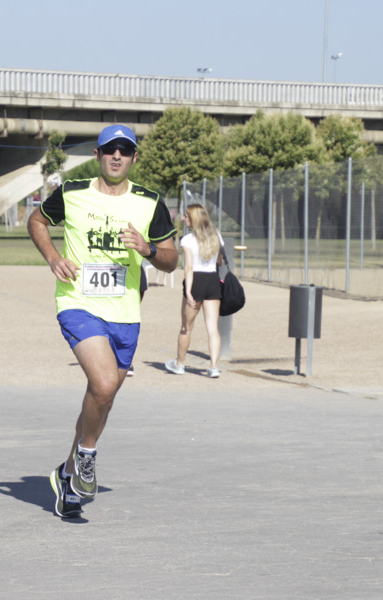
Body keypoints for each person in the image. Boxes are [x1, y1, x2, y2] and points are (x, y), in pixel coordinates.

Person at [27, 124, 177, 518]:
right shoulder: (73, 193)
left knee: (103, 397)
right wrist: (53, 257)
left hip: (126, 313)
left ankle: (69, 475)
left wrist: (147, 249)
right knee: (105, 382)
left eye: (124, 151)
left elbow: (171, 258)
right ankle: (88, 455)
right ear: (97, 154)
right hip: (78, 303)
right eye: (110, 149)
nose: (116, 156)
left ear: (133, 158)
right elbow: (36, 221)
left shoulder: (149, 203)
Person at [165, 204, 225, 379]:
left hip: (196, 281)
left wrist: (189, 293)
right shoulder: (217, 236)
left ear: (194, 219)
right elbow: (220, 261)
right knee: (213, 328)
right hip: (212, 280)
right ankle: (214, 367)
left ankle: (180, 364)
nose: (183, 219)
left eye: (186, 216)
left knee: (186, 327)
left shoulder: (187, 240)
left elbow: (189, 268)